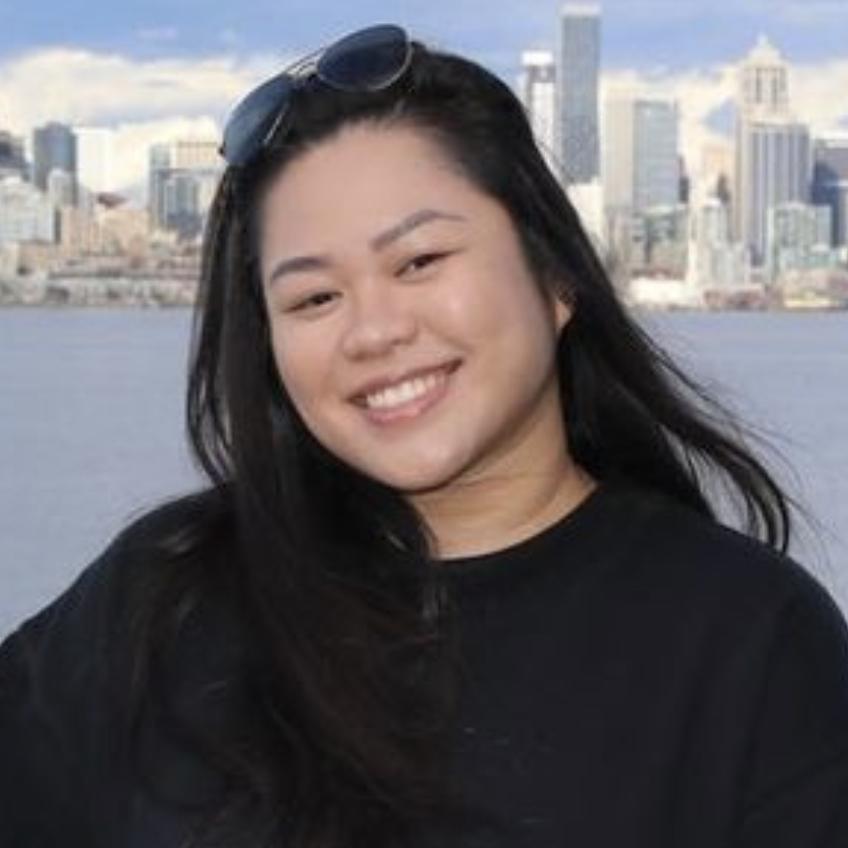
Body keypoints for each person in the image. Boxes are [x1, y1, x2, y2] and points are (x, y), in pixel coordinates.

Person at [2, 23, 847, 848]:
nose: (374, 331)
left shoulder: (751, 643)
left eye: (419, 262)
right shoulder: (164, 597)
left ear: (555, 275)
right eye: (314, 299)